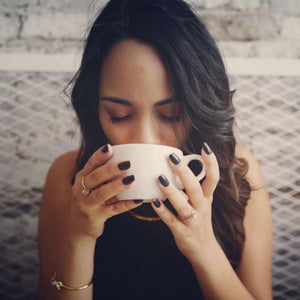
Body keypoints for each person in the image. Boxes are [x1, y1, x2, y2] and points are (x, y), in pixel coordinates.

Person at [37, 0, 273, 299]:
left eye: (171, 114)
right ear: (93, 108)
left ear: (197, 105)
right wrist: (81, 236)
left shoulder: (236, 172)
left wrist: (202, 245)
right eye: (119, 115)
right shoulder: (69, 178)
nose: (146, 138)